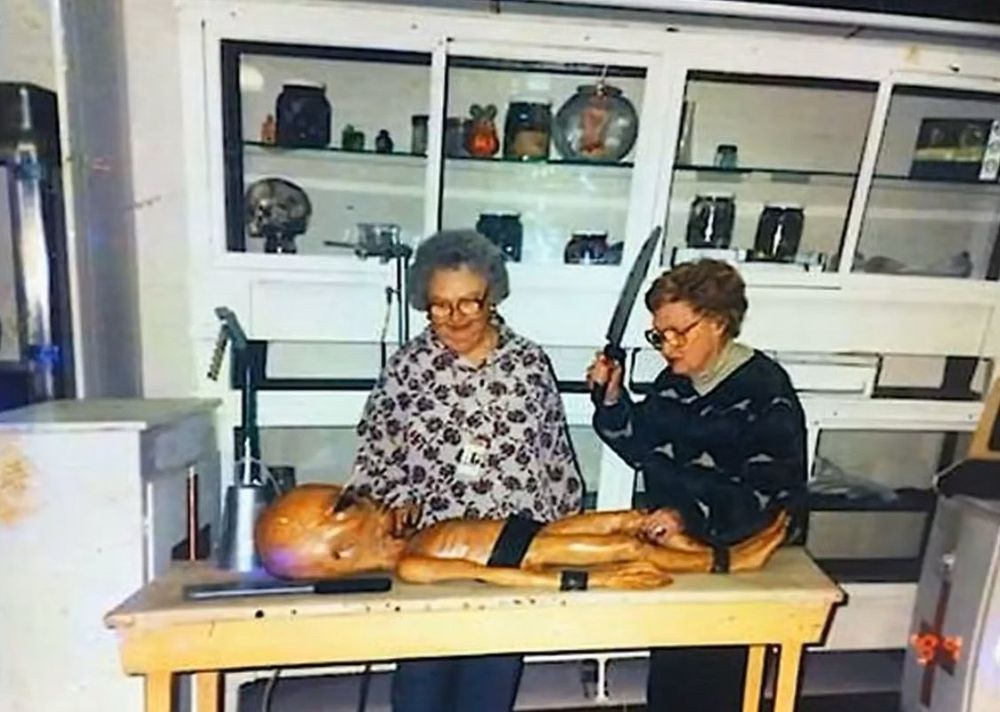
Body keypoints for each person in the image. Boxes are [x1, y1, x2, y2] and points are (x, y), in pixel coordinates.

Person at [343, 229, 584, 712]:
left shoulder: (528, 363)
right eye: (440, 305)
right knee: (421, 688)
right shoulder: (408, 367)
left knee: (489, 689)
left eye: (469, 302)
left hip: (509, 548)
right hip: (429, 550)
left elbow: (554, 455)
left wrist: (563, 538)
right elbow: (376, 450)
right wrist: (392, 504)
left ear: (491, 296)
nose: (455, 317)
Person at [586, 258, 807, 712]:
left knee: (715, 689)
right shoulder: (675, 383)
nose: (667, 346)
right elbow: (641, 447)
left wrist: (684, 515)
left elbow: (768, 502)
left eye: (678, 333)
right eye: (659, 335)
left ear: (719, 323)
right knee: (670, 682)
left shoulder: (765, 390)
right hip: (682, 556)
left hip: (743, 565)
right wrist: (612, 399)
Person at [256, 483, 791, 586]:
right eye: (344, 505)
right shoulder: (412, 565)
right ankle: (731, 562)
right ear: (342, 551)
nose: (361, 497)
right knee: (628, 546)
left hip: (527, 530)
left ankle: (705, 551)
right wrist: (589, 582)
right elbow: (495, 576)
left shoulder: (408, 541)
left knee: (630, 519)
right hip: (524, 550)